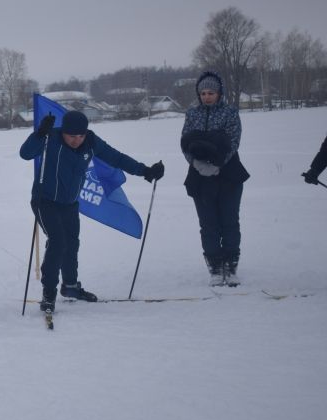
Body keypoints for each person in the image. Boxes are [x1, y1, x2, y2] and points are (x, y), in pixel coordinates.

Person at [20, 110, 163, 311]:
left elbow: (117, 158)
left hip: (70, 202)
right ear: (63, 132)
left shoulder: (91, 141)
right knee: (58, 242)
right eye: (72, 136)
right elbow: (25, 154)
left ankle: (70, 286)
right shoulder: (50, 137)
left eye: (81, 135)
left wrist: (145, 170)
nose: (77, 140)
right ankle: (48, 293)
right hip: (45, 201)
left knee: (71, 243)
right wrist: (39, 133)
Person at [180, 71, 250, 286]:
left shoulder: (230, 112)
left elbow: (232, 141)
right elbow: (185, 142)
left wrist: (218, 162)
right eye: (203, 93)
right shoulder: (192, 114)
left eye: (211, 92)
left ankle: (231, 266)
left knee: (229, 222)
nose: (207, 96)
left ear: (220, 93)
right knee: (208, 224)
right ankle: (215, 268)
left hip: (228, 175)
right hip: (199, 177)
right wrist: (198, 164)